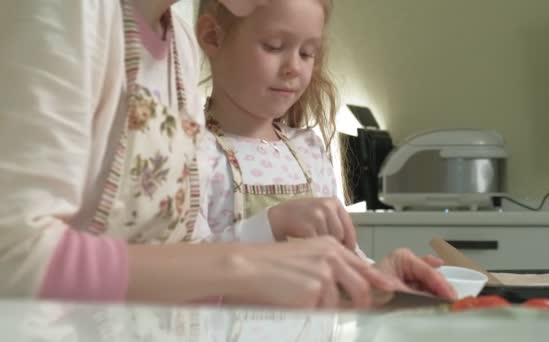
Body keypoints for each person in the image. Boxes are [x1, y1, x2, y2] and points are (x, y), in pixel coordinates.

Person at [0, 0, 453, 309]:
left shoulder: (174, 28)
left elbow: (183, 265)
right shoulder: (66, 11)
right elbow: (13, 259)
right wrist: (244, 263)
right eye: (274, 47)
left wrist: (360, 284)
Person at [195, 0, 456, 301]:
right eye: (274, 46)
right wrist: (272, 224)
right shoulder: (191, 152)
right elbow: (179, 275)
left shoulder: (308, 150)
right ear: (212, 37)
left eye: (307, 53)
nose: (294, 67)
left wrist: (381, 276)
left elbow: (345, 258)